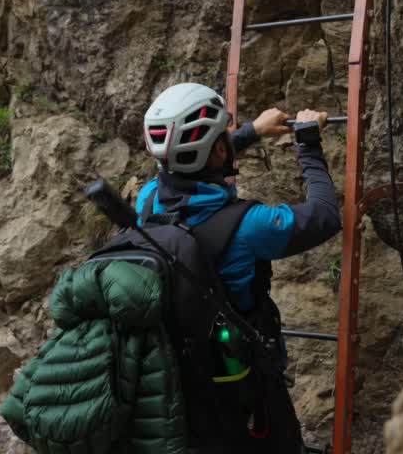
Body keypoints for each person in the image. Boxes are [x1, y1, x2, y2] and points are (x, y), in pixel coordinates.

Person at [136, 82, 341, 453]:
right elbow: (325, 216)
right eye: (224, 138)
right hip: (247, 379)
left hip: (184, 374)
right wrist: (308, 145)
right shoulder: (250, 226)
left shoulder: (148, 202)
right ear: (217, 149)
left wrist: (251, 132)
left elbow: (193, 169)